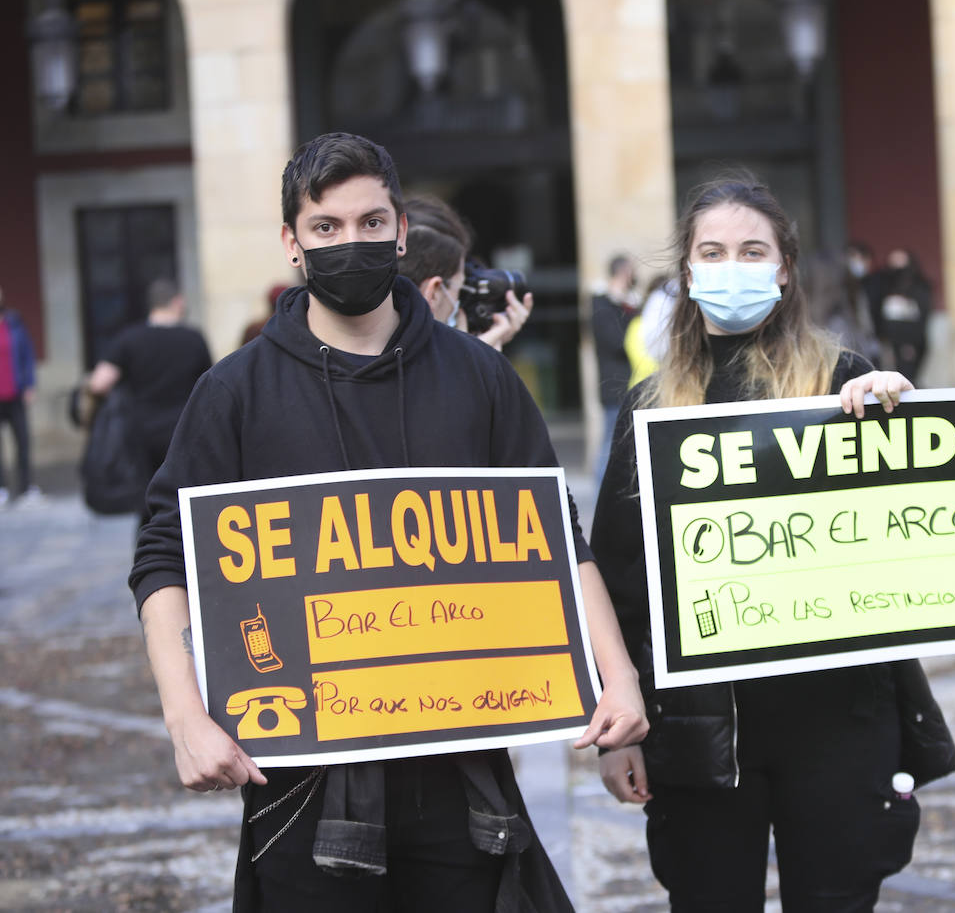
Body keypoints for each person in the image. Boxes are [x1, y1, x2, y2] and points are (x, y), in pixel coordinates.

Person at [128, 132, 647, 911]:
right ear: (292, 244)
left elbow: (555, 537)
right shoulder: (233, 393)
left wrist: (620, 677)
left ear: (401, 231)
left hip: (464, 775)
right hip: (302, 787)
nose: (351, 242)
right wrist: (184, 718)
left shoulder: (481, 377)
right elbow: (165, 556)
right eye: (326, 228)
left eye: (371, 224)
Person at [591, 175, 955, 912]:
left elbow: (914, 536)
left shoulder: (843, 380)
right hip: (700, 728)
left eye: (752, 250)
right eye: (714, 252)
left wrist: (897, 424)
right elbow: (620, 579)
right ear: (689, 273)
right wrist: (617, 731)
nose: (733, 267)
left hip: (837, 720)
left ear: (784, 267)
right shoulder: (650, 408)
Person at [87, 278, 212, 524]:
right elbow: (210, 385)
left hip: (141, 433)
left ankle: (151, 551)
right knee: (185, 497)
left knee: (148, 499)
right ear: (177, 302)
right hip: (183, 431)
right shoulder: (193, 338)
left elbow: (99, 383)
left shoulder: (130, 338)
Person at [398, 194, 531, 348]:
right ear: (433, 292)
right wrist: (475, 361)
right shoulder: (462, 365)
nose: (461, 301)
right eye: (461, 288)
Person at [590, 253, 640, 484]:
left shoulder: (628, 303)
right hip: (614, 386)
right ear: (622, 273)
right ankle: (601, 494)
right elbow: (618, 341)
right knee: (609, 445)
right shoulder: (602, 304)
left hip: (631, 382)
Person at [0, 286, 39, 507]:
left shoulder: (13, 322)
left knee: (23, 442)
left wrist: (30, 385)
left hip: (15, 391)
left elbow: (27, 353)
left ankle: (25, 487)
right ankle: (1, 489)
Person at [878, 248, 933, 384]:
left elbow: (921, 319)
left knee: (908, 379)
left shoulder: (919, 288)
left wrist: (911, 344)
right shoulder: (885, 287)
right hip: (890, 344)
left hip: (910, 344)